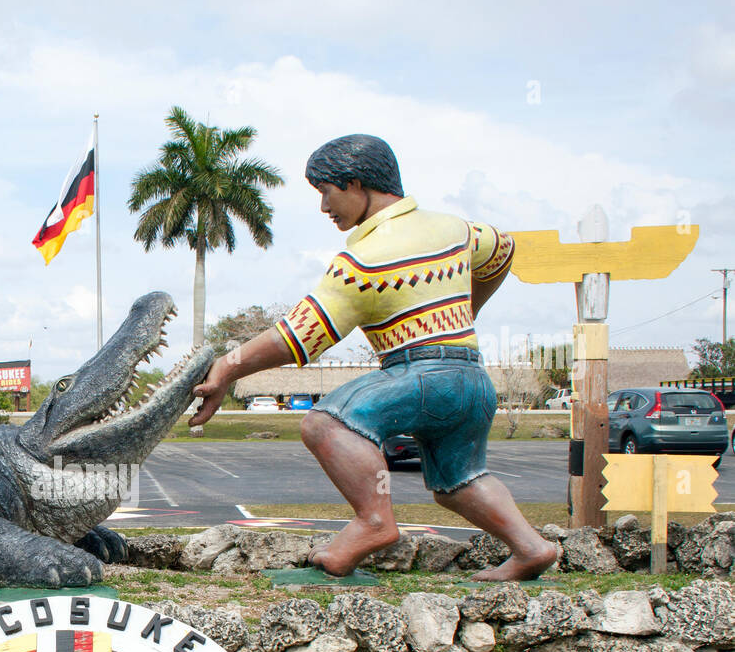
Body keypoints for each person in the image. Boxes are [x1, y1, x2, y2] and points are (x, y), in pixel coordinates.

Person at [190, 134, 557, 582]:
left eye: (327, 192)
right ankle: (530, 547)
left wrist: (228, 366)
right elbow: (502, 251)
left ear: (356, 183)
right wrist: (468, 309)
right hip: (472, 381)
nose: (325, 207)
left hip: (419, 374)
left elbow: (297, 337)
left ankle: (374, 521)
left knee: (327, 424)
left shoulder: (363, 261)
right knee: (460, 481)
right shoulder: (458, 229)